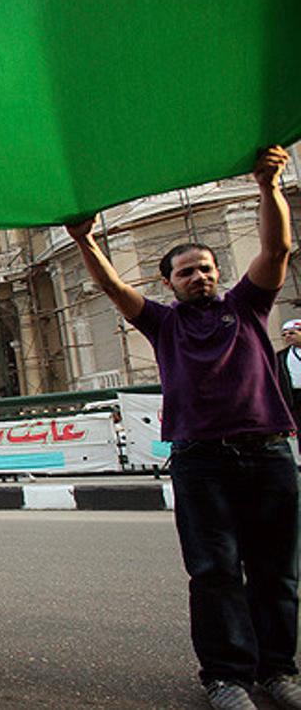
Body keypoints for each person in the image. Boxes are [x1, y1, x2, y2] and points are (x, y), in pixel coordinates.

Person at [66, 145, 299, 710]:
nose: (198, 277)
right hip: (201, 461)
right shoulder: (162, 325)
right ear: (168, 283)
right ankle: (224, 676)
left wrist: (268, 187)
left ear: (220, 276)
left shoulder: (245, 308)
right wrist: (84, 240)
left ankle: (278, 671)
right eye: (186, 272)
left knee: (277, 573)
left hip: (267, 454)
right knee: (215, 572)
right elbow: (115, 291)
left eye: (206, 270)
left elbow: (276, 248)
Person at [276, 319, 301, 427]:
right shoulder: (281, 356)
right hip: (296, 397)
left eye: (292, 333)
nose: (288, 336)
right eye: (284, 334)